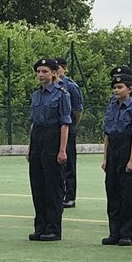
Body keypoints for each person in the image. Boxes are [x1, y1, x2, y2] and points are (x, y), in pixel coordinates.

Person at [28, 57, 71, 241]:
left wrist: (62, 149)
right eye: (38, 71)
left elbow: (65, 123)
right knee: (37, 185)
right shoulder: (36, 95)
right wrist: (30, 147)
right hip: (38, 137)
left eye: (44, 71)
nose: (40, 75)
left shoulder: (62, 94)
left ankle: (53, 228)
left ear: (54, 73)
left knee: (53, 186)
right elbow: (33, 123)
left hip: (53, 137)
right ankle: (40, 226)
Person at [101, 74, 132, 246]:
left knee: (129, 196)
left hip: (128, 149)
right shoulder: (111, 107)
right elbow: (107, 135)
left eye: (120, 87)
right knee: (113, 193)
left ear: (130, 89)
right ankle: (114, 232)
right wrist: (105, 158)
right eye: (115, 87)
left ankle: (128, 233)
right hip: (113, 151)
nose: (116, 90)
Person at [57, 58, 84, 207]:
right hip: (56, 130)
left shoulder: (71, 86)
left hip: (68, 129)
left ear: (64, 69)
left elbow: (78, 110)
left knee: (69, 164)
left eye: (59, 68)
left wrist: (72, 126)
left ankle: (70, 196)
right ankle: (59, 194)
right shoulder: (51, 86)